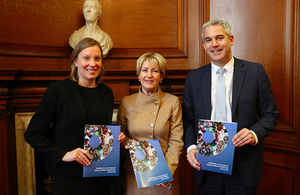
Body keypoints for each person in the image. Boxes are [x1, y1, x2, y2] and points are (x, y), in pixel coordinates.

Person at [183, 19, 280, 195]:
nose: (214, 44)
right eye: (208, 40)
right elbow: (188, 120)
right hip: (206, 167)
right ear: (204, 45)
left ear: (231, 39)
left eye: (219, 38)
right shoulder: (194, 78)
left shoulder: (255, 72)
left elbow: (270, 115)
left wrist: (253, 133)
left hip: (243, 166)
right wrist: (191, 148)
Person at [24, 37, 125, 195]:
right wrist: (64, 154)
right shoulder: (58, 90)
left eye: (97, 58)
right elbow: (32, 134)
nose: (92, 63)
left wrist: (114, 138)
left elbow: (100, 130)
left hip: (101, 175)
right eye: (86, 58)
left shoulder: (106, 92)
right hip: (69, 177)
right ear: (75, 61)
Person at [117, 52, 184, 194]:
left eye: (155, 71)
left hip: (164, 171)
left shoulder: (172, 102)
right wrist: (129, 144)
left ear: (161, 76)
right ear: (138, 75)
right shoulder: (126, 102)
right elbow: (120, 136)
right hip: (135, 172)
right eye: (145, 70)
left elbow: (176, 140)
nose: (149, 75)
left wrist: (166, 170)